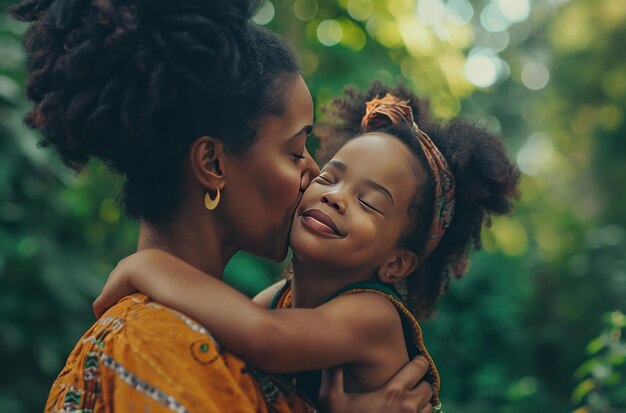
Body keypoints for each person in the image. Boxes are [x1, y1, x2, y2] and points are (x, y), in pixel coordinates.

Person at [9, 0, 434, 411]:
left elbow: (266, 335)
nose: (314, 173)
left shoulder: (222, 330)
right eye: (295, 151)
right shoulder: (156, 346)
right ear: (213, 163)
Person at [94, 83, 521, 411]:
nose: (335, 197)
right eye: (329, 178)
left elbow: (264, 338)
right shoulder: (278, 300)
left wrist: (146, 265)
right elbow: (226, 336)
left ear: (396, 264)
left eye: (368, 203)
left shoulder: (374, 315)